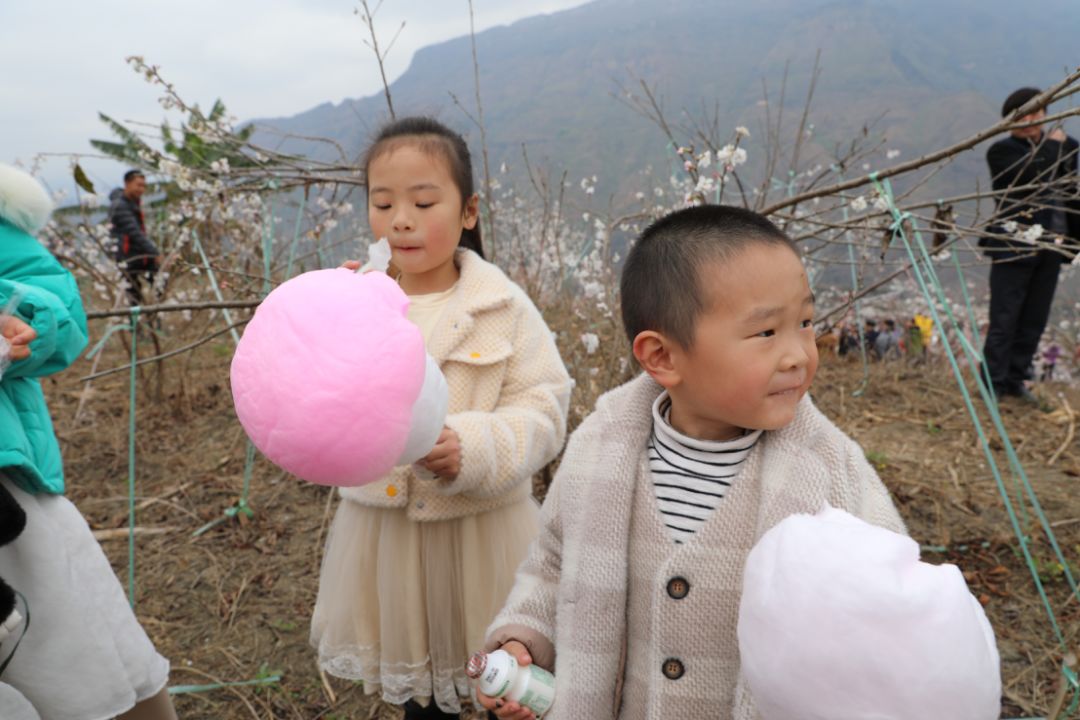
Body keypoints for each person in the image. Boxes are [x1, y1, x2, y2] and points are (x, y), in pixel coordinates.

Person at [478, 205, 905, 720]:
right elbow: (551, 567)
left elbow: (892, 603)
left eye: (806, 323)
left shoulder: (829, 471)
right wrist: (525, 639)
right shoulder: (600, 449)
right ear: (662, 357)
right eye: (767, 333)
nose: (798, 354)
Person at [309, 117, 572, 719]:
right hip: (389, 544)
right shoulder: (358, 302)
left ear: (468, 210)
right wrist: (330, 320)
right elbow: (318, 400)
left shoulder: (499, 305)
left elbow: (545, 404)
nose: (401, 218)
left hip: (482, 537)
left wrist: (472, 447)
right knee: (424, 701)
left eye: (423, 201)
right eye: (383, 202)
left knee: (508, 687)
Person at [0, 163, 177, 719]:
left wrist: (21, 313)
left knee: (79, 655)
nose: (142, 191)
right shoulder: (121, 206)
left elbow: (60, 310)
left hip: (10, 494)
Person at [981, 87, 1080, 403]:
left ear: (1044, 114)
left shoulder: (1067, 148)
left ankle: (1015, 379)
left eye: (1035, 113)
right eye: (1020, 115)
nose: (1028, 120)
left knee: (1034, 319)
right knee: (1005, 317)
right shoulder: (1002, 151)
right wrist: (1053, 145)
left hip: (1053, 244)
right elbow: (1026, 178)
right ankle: (992, 383)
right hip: (1013, 243)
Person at [108, 169, 160, 305]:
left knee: (159, 284)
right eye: (138, 185)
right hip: (128, 258)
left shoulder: (132, 203)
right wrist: (155, 253)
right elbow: (134, 233)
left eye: (144, 186)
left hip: (141, 255)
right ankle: (138, 324)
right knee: (134, 297)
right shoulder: (120, 206)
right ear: (127, 183)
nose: (141, 189)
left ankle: (154, 318)